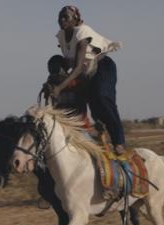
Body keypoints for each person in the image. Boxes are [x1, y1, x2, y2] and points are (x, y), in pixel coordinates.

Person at [49, 5, 126, 155]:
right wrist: (52, 83)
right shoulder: (62, 35)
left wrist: (59, 88)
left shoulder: (82, 33)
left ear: (75, 19)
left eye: (66, 17)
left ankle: (119, 141)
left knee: (102, 97)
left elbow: (77, 68)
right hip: (87, 71)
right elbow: (69, 62)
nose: (62, 20)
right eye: (60, 17)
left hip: (102, 67)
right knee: (94, 107)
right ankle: (99, 134)